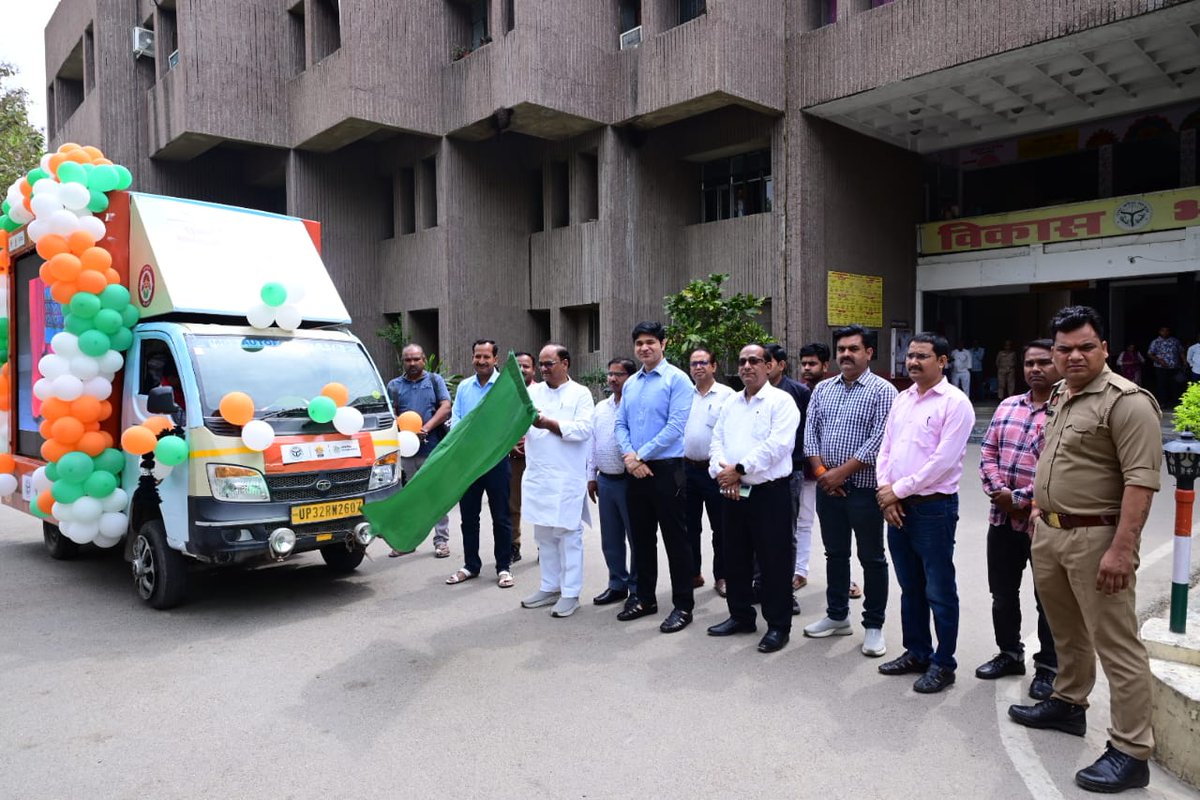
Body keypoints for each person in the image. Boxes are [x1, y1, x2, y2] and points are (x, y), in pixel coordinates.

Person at [1008, 306, 1162, 794]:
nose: (1074, 356)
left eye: (1085, 347)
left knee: (1117, 645)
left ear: (1104, 349)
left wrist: (1122, 550)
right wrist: (1037, 511)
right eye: (1064, 348)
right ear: (1053, 352)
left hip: (1099, 539)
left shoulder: (1128, 403)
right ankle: (1068, 704)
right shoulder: (1060, 392)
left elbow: (1140, 482)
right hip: (1051, 533)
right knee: (1066, 631)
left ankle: (1131, 751)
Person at [875, 333, 974, 694]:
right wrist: (886, 493)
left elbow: (943, 463)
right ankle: (916, 652)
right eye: (910, 356)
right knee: (910, 587)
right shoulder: (902, 399)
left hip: (933, 509)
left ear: (943, 361)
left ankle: (943, 663)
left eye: (922, 356)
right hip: (897, 506)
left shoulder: (955, 403)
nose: (912, 362)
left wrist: (896, 491)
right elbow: (886, 449)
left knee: (939, 589)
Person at [802, 325, 896, 658]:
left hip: (864, 490)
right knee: (835, 554)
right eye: (841, 348)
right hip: (829, 489)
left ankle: (873, 625)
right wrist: (823, 474)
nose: (845, 354)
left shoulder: (884, 391)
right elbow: (810, 433)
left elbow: (880, 440)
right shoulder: (823, 389)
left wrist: (840, 474)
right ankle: (837, 615)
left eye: (853, 349)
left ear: (869, 352)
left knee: (871, 558)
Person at [976, 340, 1060, 700]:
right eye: (1030, 363)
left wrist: (1021, 500)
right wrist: (1001, 494)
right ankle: (1009, 654)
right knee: (1003, 594)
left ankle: (1049, 669)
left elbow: (1061, 471)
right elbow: (988, 452)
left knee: (1050, 601)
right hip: (1002, 519)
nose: (1035, 369)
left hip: (1045, 525)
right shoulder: (1008, 405)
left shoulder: (1066, 411)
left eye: (1043, 362)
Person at [706, 344, 800, 653]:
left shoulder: (781, 401)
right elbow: (716, 440)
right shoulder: (731, 402)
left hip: (768, 494)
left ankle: (778, 625)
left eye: (755, 361)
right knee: (735, 557)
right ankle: (741, 616)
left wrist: (740, 470)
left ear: (770, 365)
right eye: (743, 361)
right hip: (732, 491)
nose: (747, 366)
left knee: (774, 562)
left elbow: (778, 445)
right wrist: (722, 472)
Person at [614, 321, 696, 633]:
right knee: (641, 538)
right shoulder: (632, 382)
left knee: (676, 540)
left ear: (663, 343)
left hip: (666, 470)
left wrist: (640, 455)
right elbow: (620, 424)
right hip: (635, 469)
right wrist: (629, 457)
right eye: (639, 343)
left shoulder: (678, 380)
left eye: (650, 342)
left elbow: (676, 426)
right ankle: (645, 598)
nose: (644, 348)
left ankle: (683, 605)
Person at [518, 345, 594, 618]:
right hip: (539, 476)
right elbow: (521, 423)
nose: (544, 368)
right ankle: (549, 587)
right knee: (544, 536)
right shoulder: (532, 392)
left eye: (549, 363)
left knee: (568, 535)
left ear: (566, 363)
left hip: (566, 478)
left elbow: (584, 429)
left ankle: (570, 593)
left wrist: (548, 424)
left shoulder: (581, 394)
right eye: (541, 364)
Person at [445, 339, 515, 588]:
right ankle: (471, 565)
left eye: (486, 357)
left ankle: (503, 567)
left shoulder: (505, 387)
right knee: (469, 517)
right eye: (478, 356)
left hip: (496, 461)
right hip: (468, 463)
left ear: (496, 359)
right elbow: (457, 421)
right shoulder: (464, 387)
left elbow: (510, 421)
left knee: (501, 517)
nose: (481, 361)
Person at [798, 343, 861, 601]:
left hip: (838, 477)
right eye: (803, 364)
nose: (806, 369)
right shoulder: (796, 392)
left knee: (842, 534)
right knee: (802, 524)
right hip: (807, 471)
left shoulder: (835, 392)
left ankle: (845, 580)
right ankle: (798, 571)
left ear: (825, 366)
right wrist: (820, 469)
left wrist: (831, 473)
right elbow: (806, 435)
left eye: (812, 364)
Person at [385, 343, 451, 558]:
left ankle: (441, 541)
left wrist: (426, 428)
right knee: (411, 497)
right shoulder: (394, 385)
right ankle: (408, 541)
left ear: (423, 359)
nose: (412, 363)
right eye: (407, 360)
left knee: (435, 496)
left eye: (416, 359)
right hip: (406, 452)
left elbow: (445, 406)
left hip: (432, 448)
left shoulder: (434, 381)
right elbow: (390, 413)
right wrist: (404, 429)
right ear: (402, 362)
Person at [682, 347, 734, 592]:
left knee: (721, 527)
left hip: (715, 472)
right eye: (694, 364)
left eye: (703, 362)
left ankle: (722, 576)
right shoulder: (683, 395)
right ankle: (692, 573)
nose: (698, 367)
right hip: (686, 470)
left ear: (714, 366)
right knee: (689, 525)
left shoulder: (727, 395)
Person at [587, 358, 638, 605]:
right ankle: (617, 584)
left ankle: (638, 587)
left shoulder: (636, 407)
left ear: (631, 378)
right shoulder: (601, 407)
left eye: (619, 374)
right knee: (611, 537)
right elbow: (592, 444)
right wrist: (591, 476)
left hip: (631, 481)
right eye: (610, 374)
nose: (613, 379)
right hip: (605, 480)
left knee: (636, 537)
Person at [764, 343, 810, 615]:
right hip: (756, 475)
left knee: (785, 533)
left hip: (789, 471)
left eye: (766, 361)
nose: (760, 366)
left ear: (780, 364)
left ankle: (785, 590)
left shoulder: (798, 392)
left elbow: (804, 431)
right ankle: (761, 583)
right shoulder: (748, 394)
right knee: (758, 532)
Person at [508, 351, 537, 563]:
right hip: (513, 456)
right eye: (517, 365)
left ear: (533, 370)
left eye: (526, 366)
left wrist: (529, 442)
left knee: (540, 502)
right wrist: (510, 444)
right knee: (512, 504)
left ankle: (544, 548)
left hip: (539, 456)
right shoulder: (505, 395)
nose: (522, 369)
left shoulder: (542, 392)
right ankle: (513, 545)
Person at [1147, 325, 1184, 406]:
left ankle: (1175, 402)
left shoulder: (1175, 341)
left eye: (1167, 330)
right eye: (1163, 330)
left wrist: (1184, 362)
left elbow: (1181, 352)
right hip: (1160, 367)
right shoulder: (1155, 342)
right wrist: (1159, 360)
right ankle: (1162, 402)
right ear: (1160, 332)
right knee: (1162, 385)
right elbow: (1150, 354)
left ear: (1169, 332)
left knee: (1175, 385)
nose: (1165, 332)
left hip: (1174, 367)